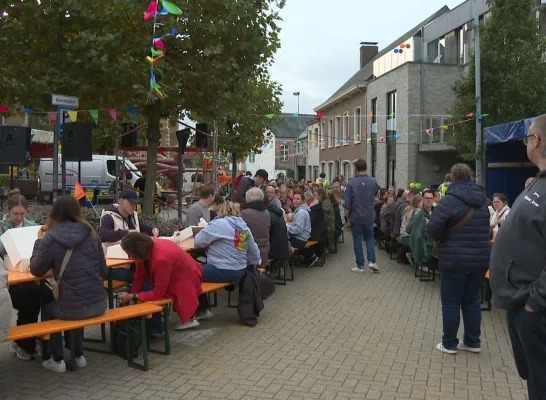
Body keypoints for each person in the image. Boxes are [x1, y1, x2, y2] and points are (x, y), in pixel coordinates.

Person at [490, 115, 546, 400]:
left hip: (533, 309)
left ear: (536, 140)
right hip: (520, 303)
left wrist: (535, 302)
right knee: (533, 378)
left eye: (527, 138)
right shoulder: (537, 181)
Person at [30, 196, 107, 373]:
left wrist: (39, 242)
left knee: (50, 308)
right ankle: (78, 355)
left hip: (74, 309)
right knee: (74, 300)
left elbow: (36, 270)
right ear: (78, 212)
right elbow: (103, 272)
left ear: (54, 213)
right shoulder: (92, 234)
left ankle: (56, 359)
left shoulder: (50, 238)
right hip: (100, 304)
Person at [426, 163, 490, 355]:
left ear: (452, 179)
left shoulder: (449, 200)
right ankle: (472, 341)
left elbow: (432, 229)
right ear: (470, 176)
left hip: (454, 258)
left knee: (451, 302)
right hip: (479, 258)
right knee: (471, 300)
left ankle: (449, 343)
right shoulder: (483, 199)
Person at [117, 233, 203, 331]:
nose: (129, 257)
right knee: (145, 289)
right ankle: (155, 327)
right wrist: (132, 295)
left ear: (138, 252)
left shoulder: (161, 259)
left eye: (130, 254)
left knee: (147, 291)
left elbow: (158, 292)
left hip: (186, 279)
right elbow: (139, 276)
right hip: (178, 273)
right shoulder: (147, 248)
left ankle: (156, 328)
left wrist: (134, 297)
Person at [193, 202, 261, 315]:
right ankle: (203, 309)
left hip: (222, 269)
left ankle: (201, 309)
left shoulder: (218, 224)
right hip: (239, 270)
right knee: (198, 270)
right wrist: (256, 263)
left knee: (191, 273)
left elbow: (198, 242)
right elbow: (253, 251)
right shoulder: (244, 228)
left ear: (221, 210)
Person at [0, 190, 43, 361]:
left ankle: (28, 341)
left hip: (28, 274)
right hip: (8, 280)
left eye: (22, 214)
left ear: (27, 212)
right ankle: (25, 343)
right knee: (28, 302)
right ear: (7, 211)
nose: (18, 218)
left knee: (39, 297)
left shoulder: (32, 225)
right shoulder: (1, 226)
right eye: (15, 214)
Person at [98, 189, 159, 282]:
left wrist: (153, 229)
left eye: (135, 204)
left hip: (133, 261)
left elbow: (144, 226)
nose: (134, 207)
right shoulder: (108, 216)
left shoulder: (133, 215)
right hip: (116, 266)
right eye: (131, 203)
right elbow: (103, 235)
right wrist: (126, 233)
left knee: (152, 272)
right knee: (144, 277)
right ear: (121, 201)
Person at [344, 159, 379, 273]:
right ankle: (372, 261)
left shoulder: (351, 182)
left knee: (357, 240)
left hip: (356, 216)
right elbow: (375, 195)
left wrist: (347, 218)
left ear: (356, 168)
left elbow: (347, 203)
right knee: (369, 238)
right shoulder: (373, 181)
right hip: (369, 215)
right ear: (366, 167)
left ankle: (360, 265)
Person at [240, 187, 270, 268]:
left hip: (250, 256)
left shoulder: (244, 214)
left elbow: (241, 236)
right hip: (264, 253)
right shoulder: (266, 213)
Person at [286, 190, 318, 267]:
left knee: (282, 241)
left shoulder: (301, 212)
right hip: (303, 237)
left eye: (298, 199)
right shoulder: (300, 210)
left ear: (302, 201)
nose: (295, 201)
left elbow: (298, 230)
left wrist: (286, 226)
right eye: (294, 198)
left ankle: (284, 265)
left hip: (301, 239)